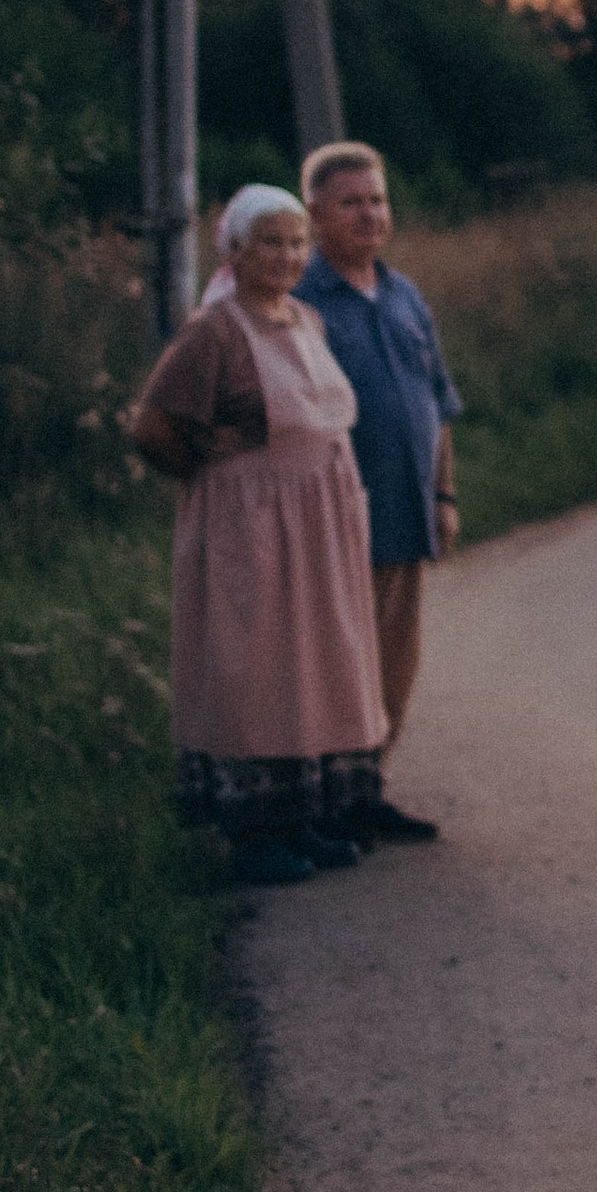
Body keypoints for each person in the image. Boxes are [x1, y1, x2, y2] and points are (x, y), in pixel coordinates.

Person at [128, 185, 389, 887]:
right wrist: (211, 475)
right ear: (235, 250)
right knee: (256, 666)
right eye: (270, 242)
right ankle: (253, 831)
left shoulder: (306, 318)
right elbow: (150, 427)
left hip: (319, 522)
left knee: (313, 661)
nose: (286, 255)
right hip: (250, 527)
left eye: (297, 242)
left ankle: (303, 814)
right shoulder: (213, 331)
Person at [295, 141, 464, 845]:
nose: (369, 215)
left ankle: (368, 790)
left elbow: (437, 402)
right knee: (334, 664)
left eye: (377, 200)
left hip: (404, 510)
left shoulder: (403, 295)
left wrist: (444, 496)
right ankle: (321, 801)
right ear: (315, 213)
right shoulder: (298, 300)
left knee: (394, 661)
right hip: (330, 520)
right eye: (351, 203)